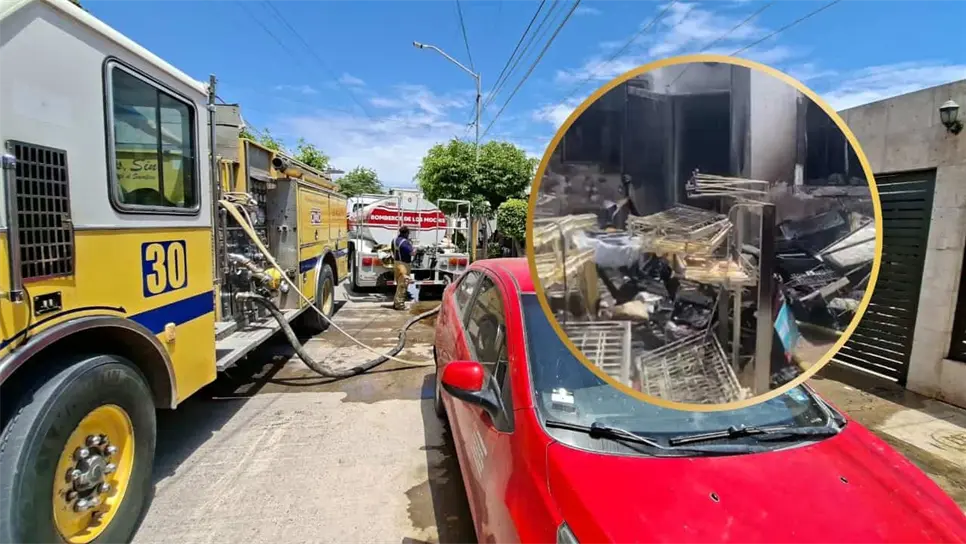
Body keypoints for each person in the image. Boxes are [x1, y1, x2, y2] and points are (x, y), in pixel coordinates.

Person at [391, 226, 414, 310]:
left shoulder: (394, 240)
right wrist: (417, 250)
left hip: (396, 263)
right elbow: (412, 253)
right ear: (406, 233)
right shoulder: (405, 243)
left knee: (399, 285)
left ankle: (395, 303)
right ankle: (399, 305)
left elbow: (393, 251)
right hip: (404, 265)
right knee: (403, 285)